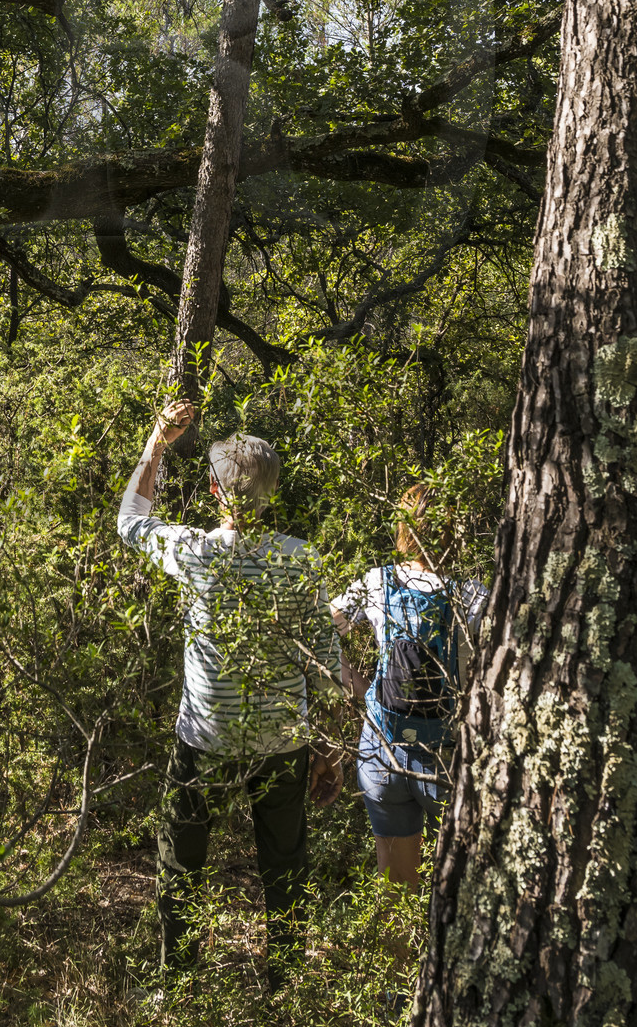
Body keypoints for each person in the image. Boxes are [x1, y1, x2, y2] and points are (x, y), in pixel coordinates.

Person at [117, 397, 341, 984]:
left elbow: (131, 520)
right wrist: (329, 748)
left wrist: (157, 444)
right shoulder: (302, 561)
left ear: (216, 492)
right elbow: (327, 667)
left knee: (182, 860)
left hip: (205, 739)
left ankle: (179, 982)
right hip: (282, 741)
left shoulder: (196, 552)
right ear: (273, 491)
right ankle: (284, 984)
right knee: (285, 866)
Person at [328, 483, 489, 888]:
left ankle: (397, 933)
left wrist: (361, 687)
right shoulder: (472, 596)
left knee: (396, 882)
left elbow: (319, 632)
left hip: (381, 750)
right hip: (445, 757)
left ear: (402, 528)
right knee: (463, 882)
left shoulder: (377, 582)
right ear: (454, 531)